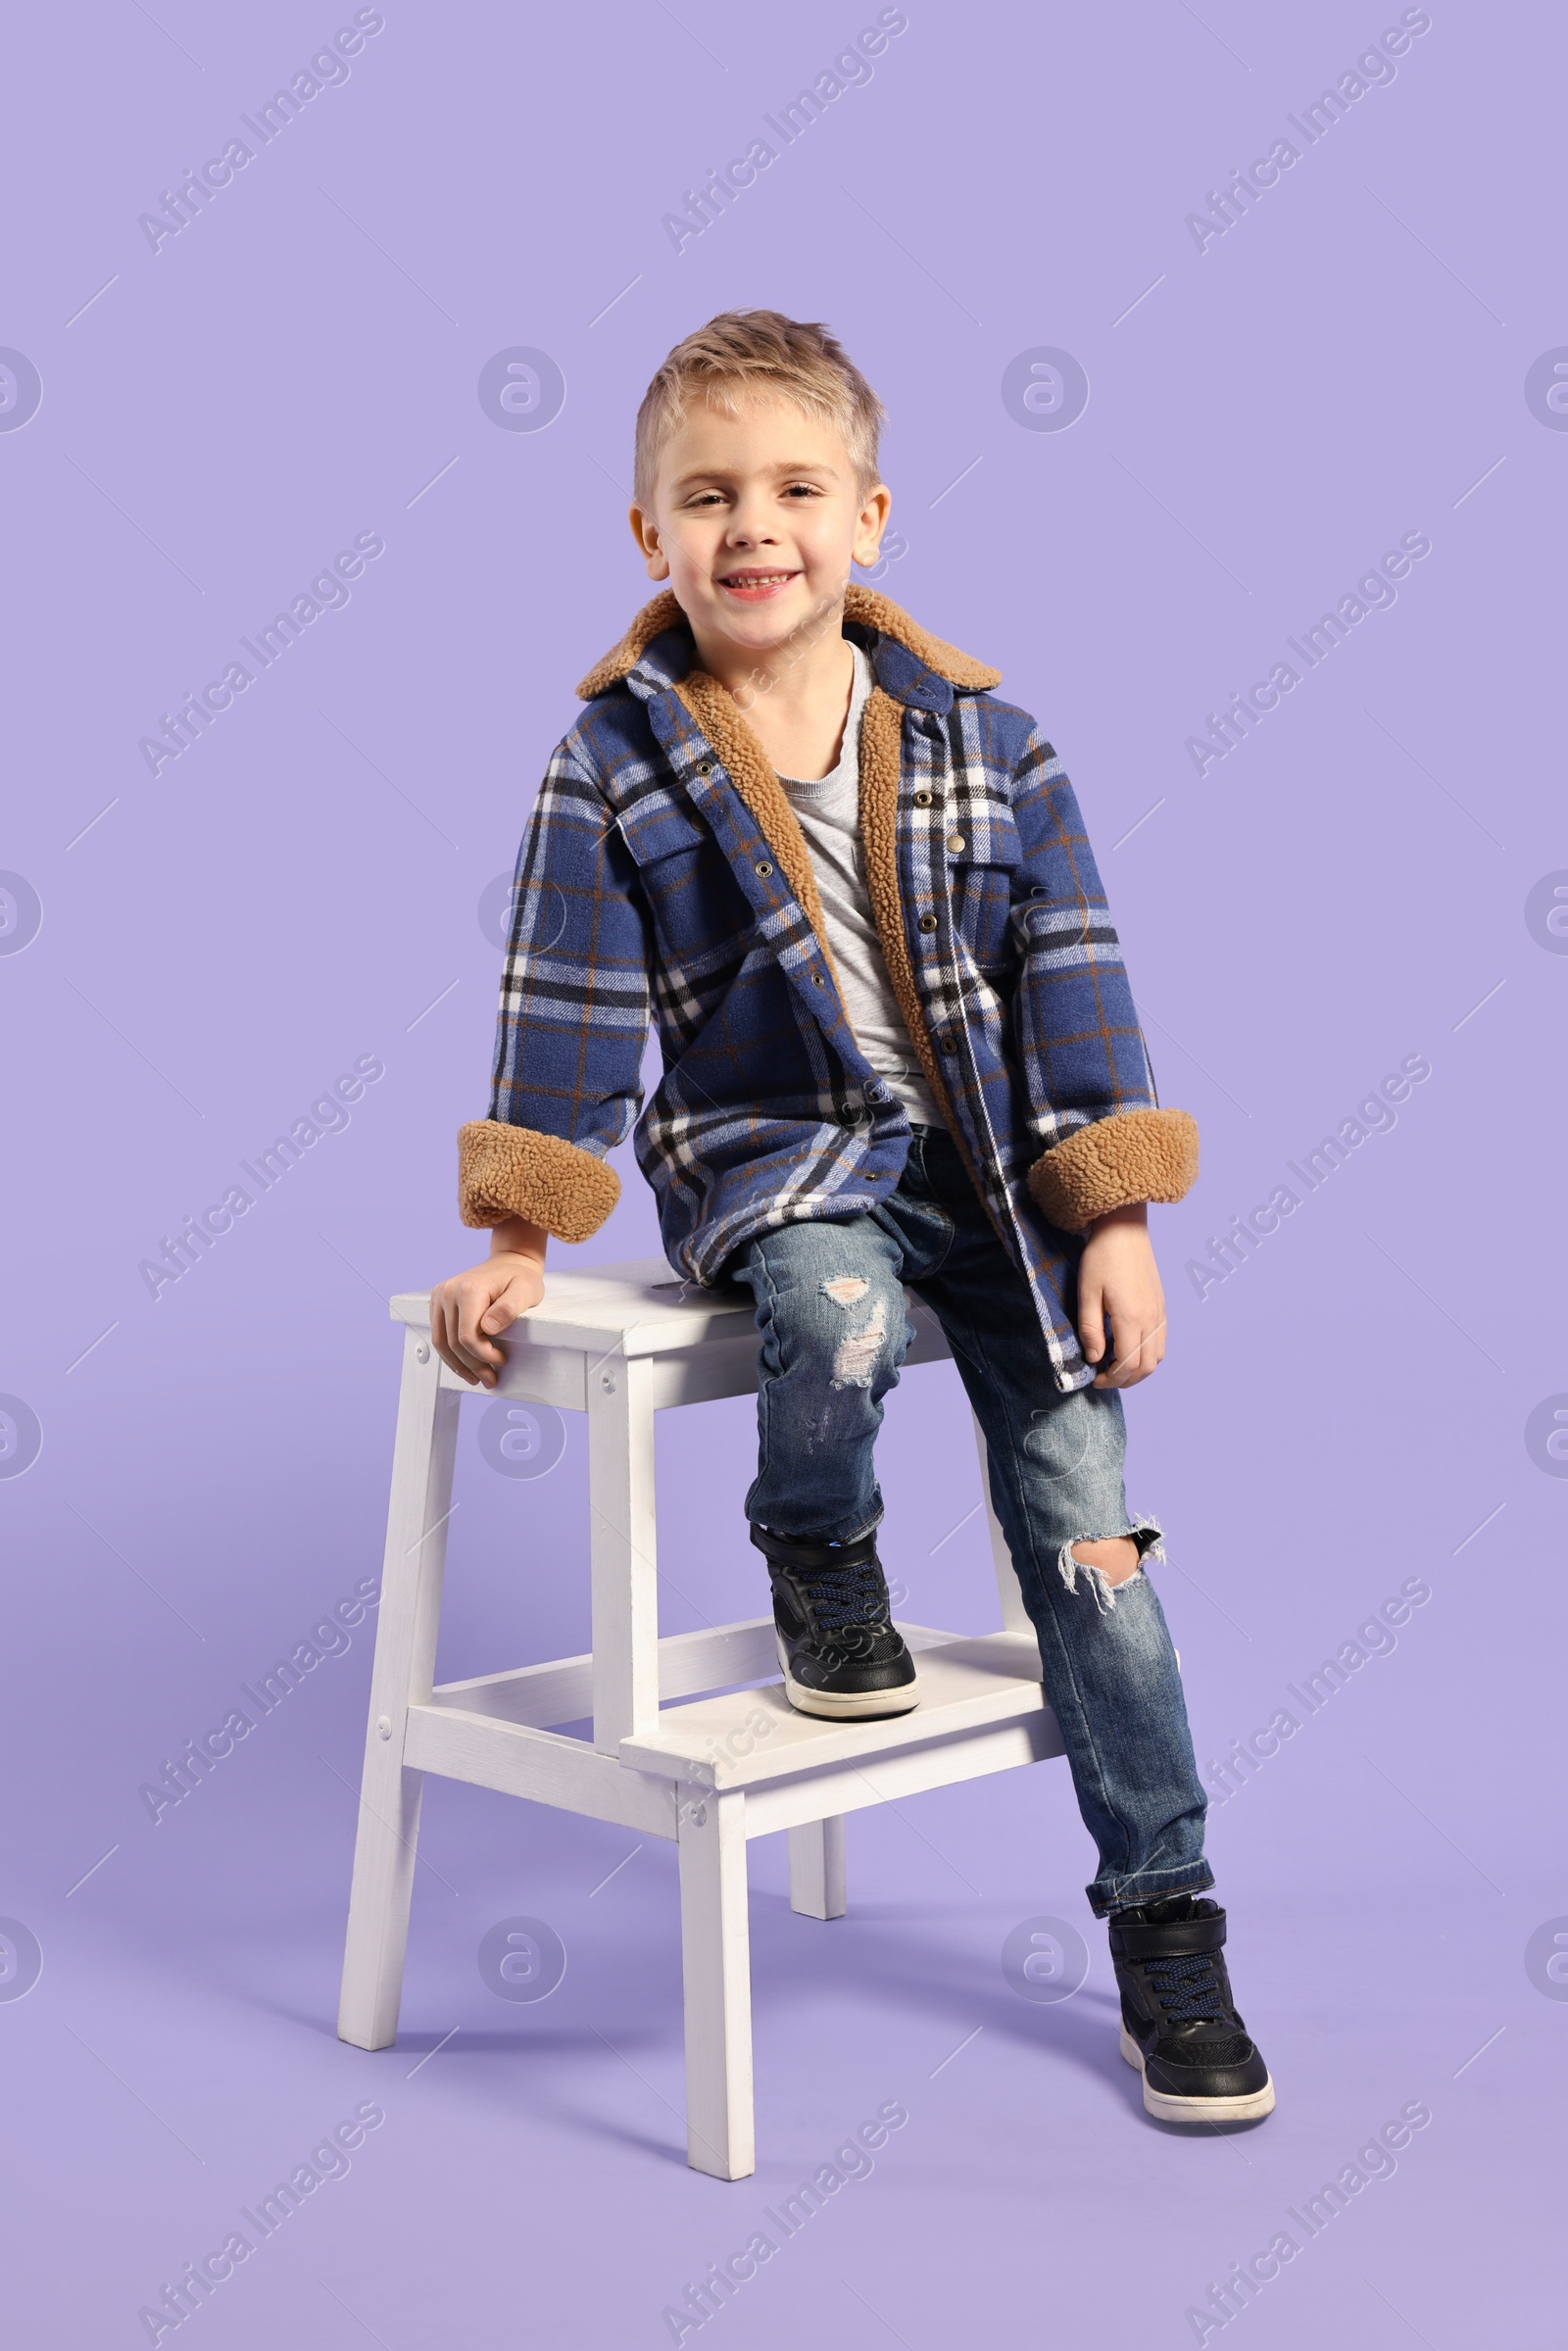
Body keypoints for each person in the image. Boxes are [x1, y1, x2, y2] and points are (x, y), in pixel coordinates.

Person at [428, 310, 1273, 2126]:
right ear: (648, 536)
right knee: (836, 1312)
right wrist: (520, 1239)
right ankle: (819, 1545)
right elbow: (562, 1006)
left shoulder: (992, 739)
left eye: (796, 489)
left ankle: (1166, 1922)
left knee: (1095, 1561)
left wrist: (1114, 1213)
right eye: (708, 496)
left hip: (992, 1172)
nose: (756, 528)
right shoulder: (616, 760)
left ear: (870, 516)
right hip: (783, 1163)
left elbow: (1074, 981)